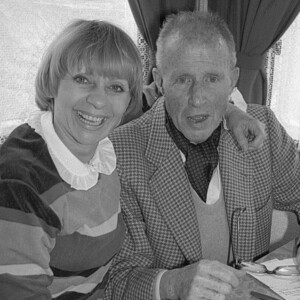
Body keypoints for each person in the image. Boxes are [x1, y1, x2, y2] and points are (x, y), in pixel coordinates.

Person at [0, 17, 265, 299]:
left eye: (115, 87)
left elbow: (174, 93)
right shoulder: (22, 182)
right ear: (52, 82)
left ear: (129, 98)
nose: (98, 101)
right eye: (82, 79)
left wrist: (230, 110)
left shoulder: (101, 153)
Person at [105, 11, 300, 300]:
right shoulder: (120, 154)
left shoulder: (263, 129)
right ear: (159, 82)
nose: (198, 98)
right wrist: (171, 285)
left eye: (212, 78)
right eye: (182, 80)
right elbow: (115, 280)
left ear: (233, 79)